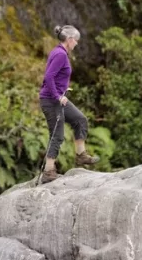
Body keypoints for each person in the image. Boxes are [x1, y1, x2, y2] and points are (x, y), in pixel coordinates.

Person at [39, 25, 99, 184]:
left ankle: (81, 156)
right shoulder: (60, 54)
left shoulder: (60, 52)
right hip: (51, 101)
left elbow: (55, 77)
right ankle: (48, 172)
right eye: (76, 41)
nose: (77, 44)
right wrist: (58, 96)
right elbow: (48, 77)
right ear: (70, 39)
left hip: (58, 98)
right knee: (57, 135)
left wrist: (62, 90)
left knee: (80, 120)